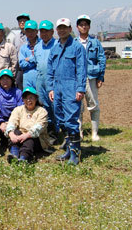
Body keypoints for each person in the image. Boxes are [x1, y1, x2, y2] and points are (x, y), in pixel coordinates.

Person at [47, 18, 87, 165]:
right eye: (60, 28)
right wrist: (51, 88)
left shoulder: (77, 47)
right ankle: (69, 149)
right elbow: (50, 70)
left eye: (65, 27)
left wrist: (80, 89)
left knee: (71, 120)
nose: (62, 30)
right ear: (57, 30)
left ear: (70, 29)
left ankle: (76, 153)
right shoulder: (55, 48)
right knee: (60, 119)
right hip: (57, 88)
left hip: (71, 87)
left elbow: (82, 70)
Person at [75, 14, 106, 141]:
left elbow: (101, 59)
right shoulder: (74, 43)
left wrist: (101, 77)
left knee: (93, 105)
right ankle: (79, 133)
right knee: (78, 106)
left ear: (89, 26)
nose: (84, 27)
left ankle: (94, 133)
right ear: (77, 27)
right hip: (77, 79)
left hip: (92, 77)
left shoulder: (95, 42)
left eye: (86, 24)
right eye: (81, 24)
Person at [5, 87, 51, 163]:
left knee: (30, 139)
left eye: (31, 98)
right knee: (15, 132)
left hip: (37, 139)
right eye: (26, 98)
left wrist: (26, 135)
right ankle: (14, 155)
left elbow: (38, 128)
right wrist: (11, 134)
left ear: (36, 99)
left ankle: (23, 158)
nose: (28, 100)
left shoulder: (42, 111)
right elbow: (12, 122)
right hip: (20, 138)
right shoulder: (18, 109)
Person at [34, 20, 58, 141]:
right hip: (40, 81)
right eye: (41, 31)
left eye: (46, 31)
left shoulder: (58, 45)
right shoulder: (37, 47)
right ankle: (48, 133)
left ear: (52, 32)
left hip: (54, 81)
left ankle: (59, 132)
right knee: (44, 107)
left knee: (56, 106)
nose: (43, 34)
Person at [0, 69, 23, 142]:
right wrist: (1, 122)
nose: (5, 81)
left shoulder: (18, 92)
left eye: (7, 78)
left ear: (12, 80)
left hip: (16, 121)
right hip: (2, 122)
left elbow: (21, 110)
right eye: (3, 79)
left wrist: (13, 122)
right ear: (0, 81)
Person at [7, 13, 31, 89]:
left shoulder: (32, 36)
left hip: (30, 68)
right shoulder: (16, 37)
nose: (22, 22)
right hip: (19, 70)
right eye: (20, 21)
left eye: (24, 21)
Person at [18, 20, 40, 89]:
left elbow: (42, 60)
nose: (30, 33)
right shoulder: (23, 48)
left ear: (36, 31)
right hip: (27, 80)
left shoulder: (42, 45)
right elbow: (22, 64)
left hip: (40, 80)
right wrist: (35, 61)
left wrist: (29, 59)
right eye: (27, 31)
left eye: (32, 31)